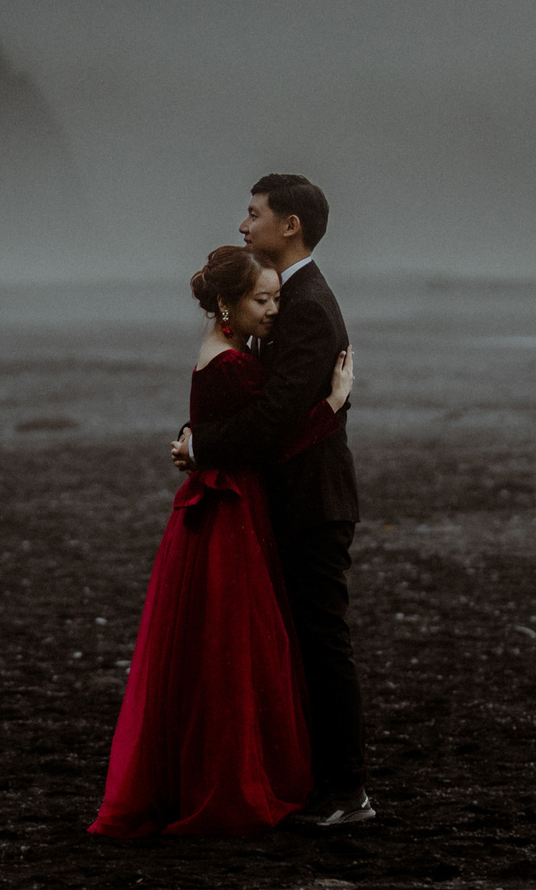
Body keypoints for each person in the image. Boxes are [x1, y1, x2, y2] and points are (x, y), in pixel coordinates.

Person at [89, 244, 355, 837]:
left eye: (276, 298)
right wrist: (331, 406)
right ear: (228, 306)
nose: (274, 310)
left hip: (224, 504)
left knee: (222, 651)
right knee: (240, 649)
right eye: (263, 300)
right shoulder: (231, 363)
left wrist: (199, 439)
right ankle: (240, 780)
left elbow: (229, 426)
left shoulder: (227, 351)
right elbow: (265, 438)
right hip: (235, 511)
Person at [178, 173, 372, 830]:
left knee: (322, 643)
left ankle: (348, 792)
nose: (243, 225)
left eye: (254, 213)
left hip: (312, 501)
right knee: (303, 642)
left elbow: (276, 420)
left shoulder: (308, 304)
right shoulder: (285, 300)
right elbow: (276, 409)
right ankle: (323, 783)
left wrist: (201, 446)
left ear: (290, 225)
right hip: (290, 498)